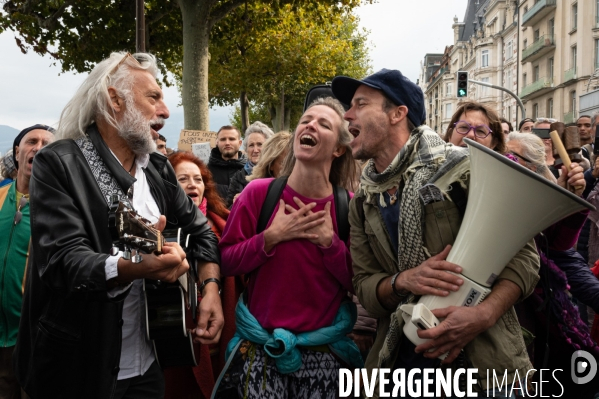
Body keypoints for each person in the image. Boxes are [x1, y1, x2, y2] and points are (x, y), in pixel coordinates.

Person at [13, 52, 223, 399]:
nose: (166, 111)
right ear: (114, 99)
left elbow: (201, 231)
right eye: (153, 97)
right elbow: (64, 262)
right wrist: (139, 267)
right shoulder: (59, 162)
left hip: (148, 364)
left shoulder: (158, 169)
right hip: (76, 371)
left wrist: (211, 289)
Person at [332, 68, 540, 397]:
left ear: (398, 113)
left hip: (482, 370)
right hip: (403, 369)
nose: (347, 114)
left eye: (360, 104)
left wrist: (482, 315)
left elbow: (526, 257)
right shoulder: (363, 200)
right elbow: (366, 288)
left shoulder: (467, 168)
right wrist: (403, 281)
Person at [217, 97, 362, 398]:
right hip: (260, 349)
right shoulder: (258, 194)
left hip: (324, 353)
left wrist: (330, 244)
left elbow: (359, 283)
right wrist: (269, 238)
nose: (310, 125)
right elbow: (227, 262)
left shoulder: (349, 205)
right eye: (306, 120)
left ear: (338, 149)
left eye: (324, 124)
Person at [506, 132, 599, 396]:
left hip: (532, 322)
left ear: (535, 168)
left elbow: (564, 255)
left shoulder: (538, 207)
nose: (503, 161)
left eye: (511, 156)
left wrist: (564, 199)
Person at [165, 151, 242, 399]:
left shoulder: (226, 224)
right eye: (183, 179)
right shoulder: (157, 230)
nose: (192, 185)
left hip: (223, 343)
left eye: (198, 179)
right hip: (175, 348)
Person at [0, 125, 54, 399]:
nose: (39, 146)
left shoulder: (63, 209)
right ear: (17, 153)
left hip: (36, 337)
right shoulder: (0, 197)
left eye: (47, 143)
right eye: (32, 141)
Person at [225, 121, 273, 207]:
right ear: (246, 149)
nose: (255, 150)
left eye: (259, 144)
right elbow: (228, 214)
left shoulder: (277, 173)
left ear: (269, 147)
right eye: (251, 145)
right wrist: (236, 203)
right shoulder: (238, 178)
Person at [208, 126, 246, 200]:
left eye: (232, 139)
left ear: (240, 143)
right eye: (223, 139)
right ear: (217, 143)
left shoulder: (250, 170)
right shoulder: (206, 171)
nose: (227, 143)